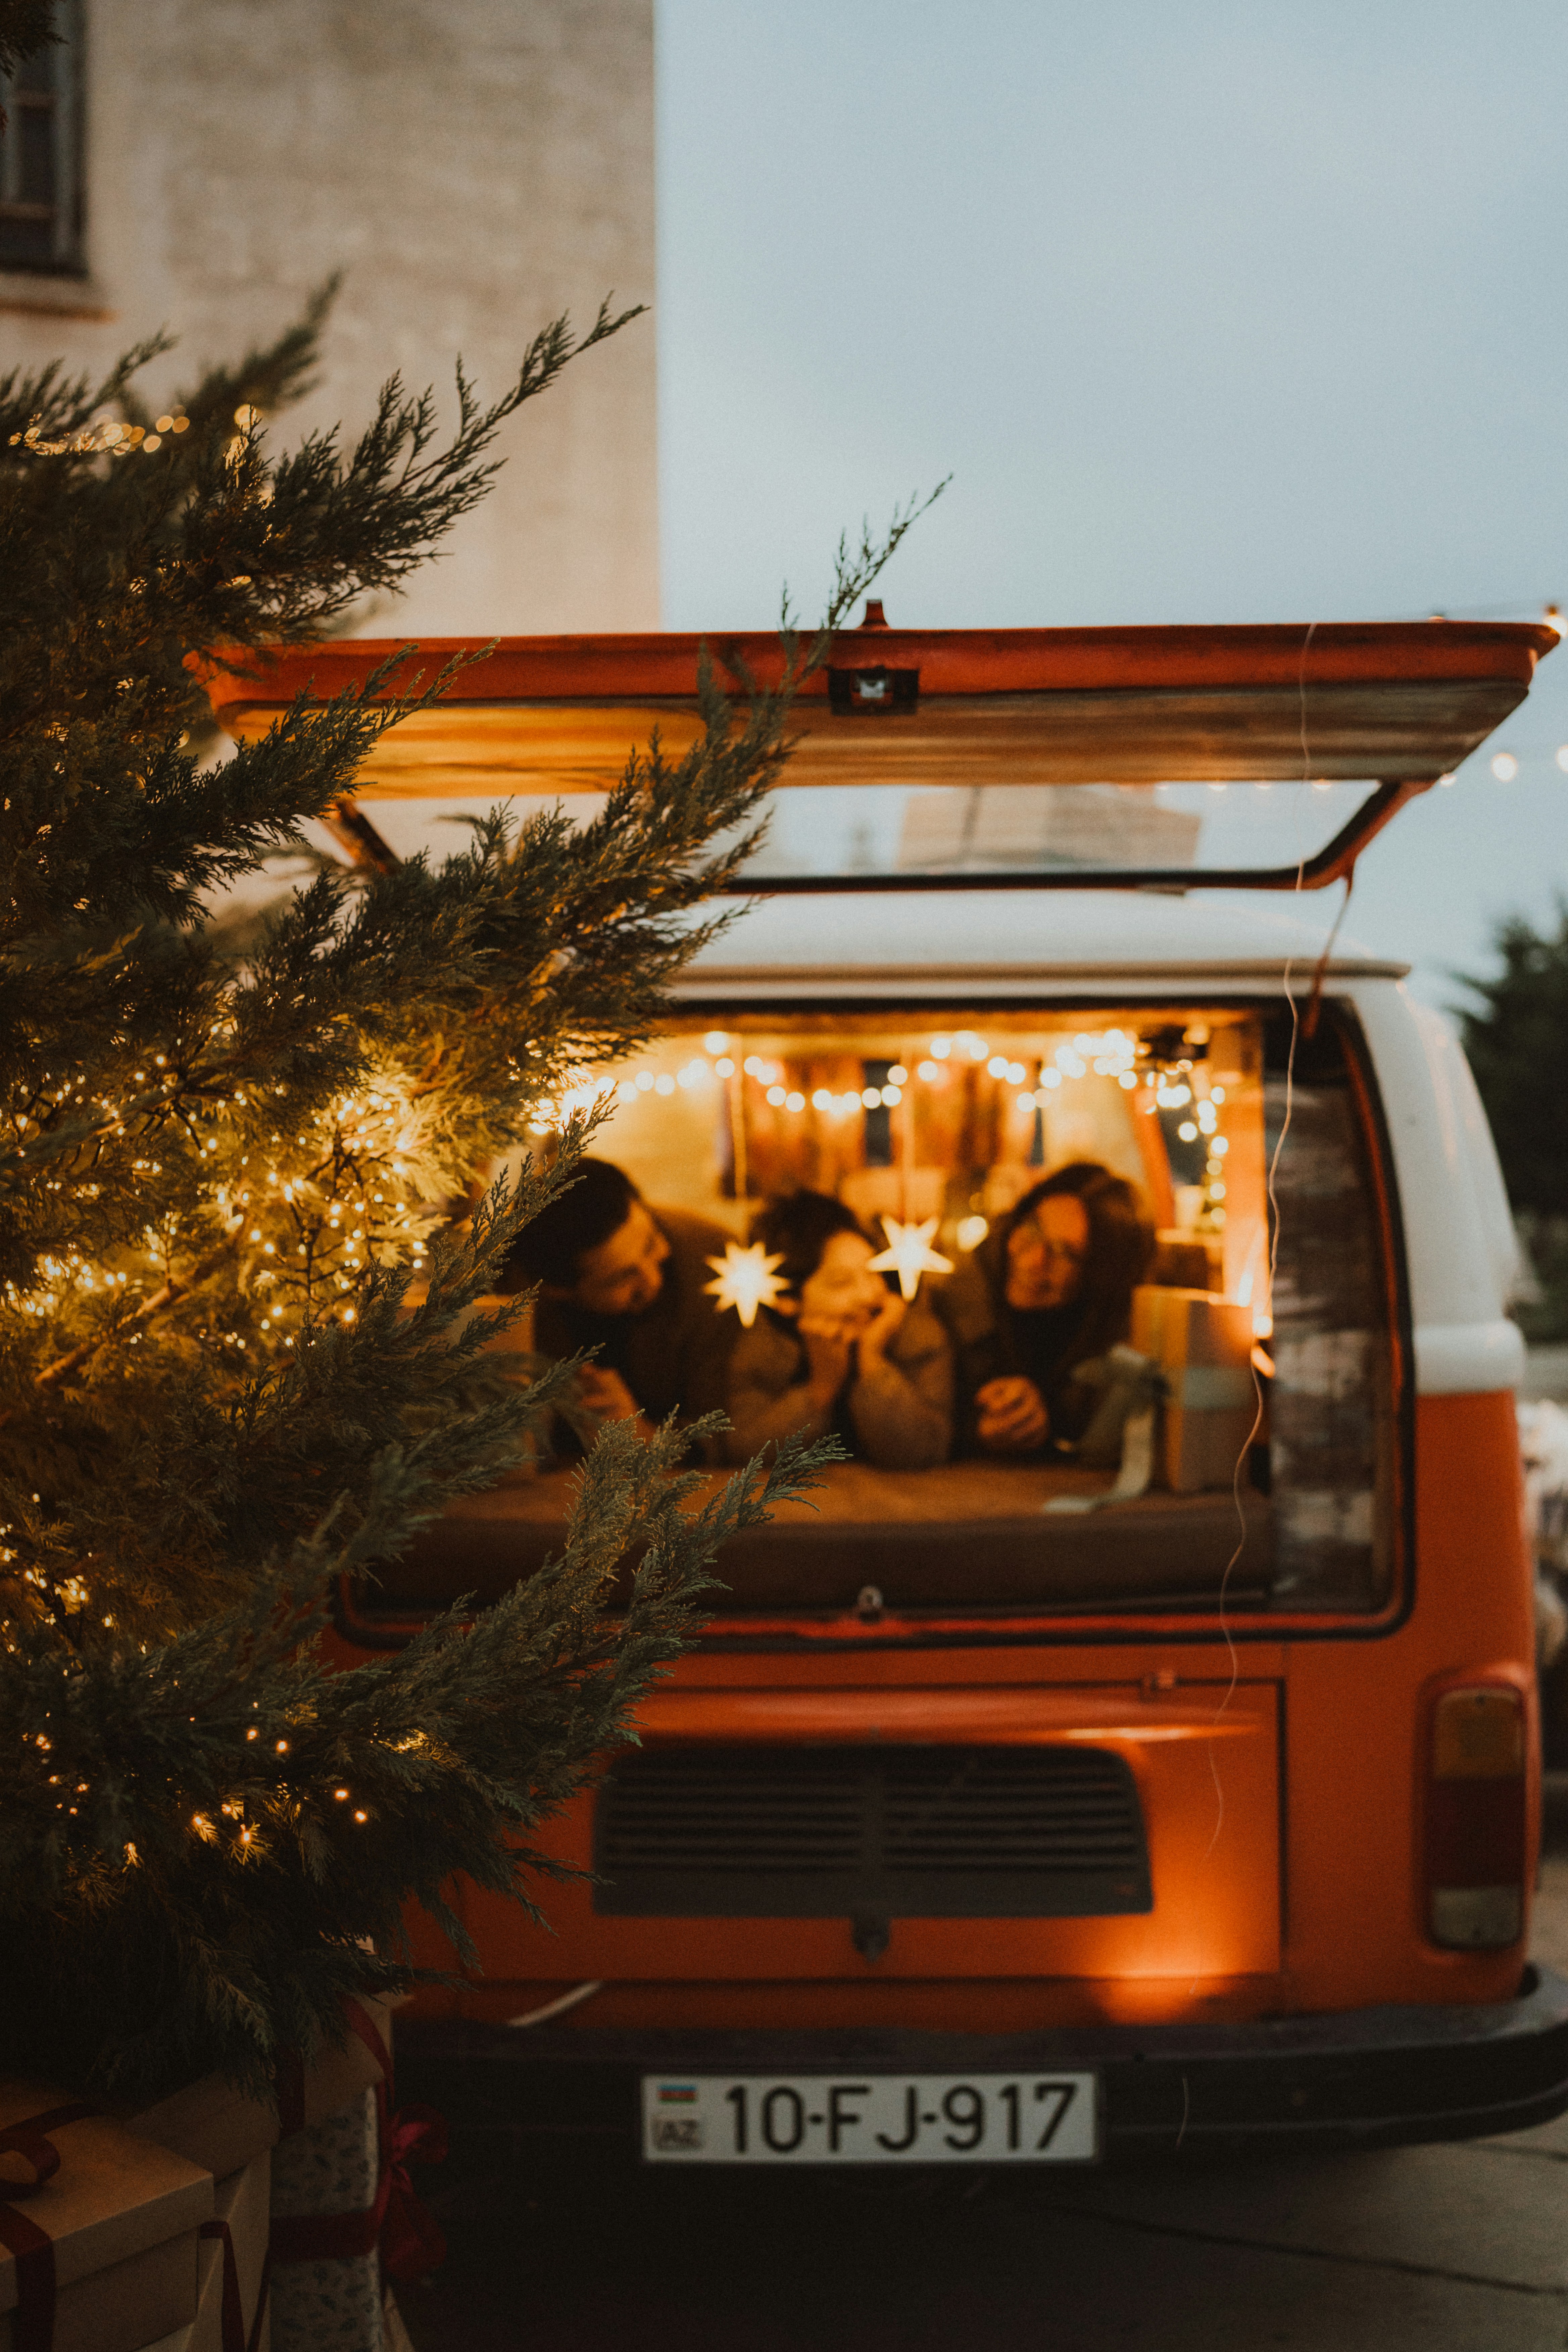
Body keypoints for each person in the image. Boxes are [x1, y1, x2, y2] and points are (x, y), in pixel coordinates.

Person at [494, 1158, 737, 1451]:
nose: (653, 1279)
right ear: (559, 1292)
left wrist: (654, 1439)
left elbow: (736, 1430)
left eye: (651, 1244)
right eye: (622, 1278)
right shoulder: (508, 1301)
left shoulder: (716, 1264)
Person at [933, 1162, 1154, 1458]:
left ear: (1101, 1278)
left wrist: (1053, 1421)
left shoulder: (1124, 1340)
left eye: (1066, 1253)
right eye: (1034, 1227)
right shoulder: (957, 1298)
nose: (1034, 1261)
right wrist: (974, 1427)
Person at [722, 1190, 952, 1469]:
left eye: (871, 1273)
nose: (870, 1294)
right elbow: (745, 1451)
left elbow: (922, 1451)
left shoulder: (914, 1334)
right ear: (786, 1301)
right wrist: (820, 1390)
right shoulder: (763, 1346)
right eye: (842, 1282)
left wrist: (872, 1360)